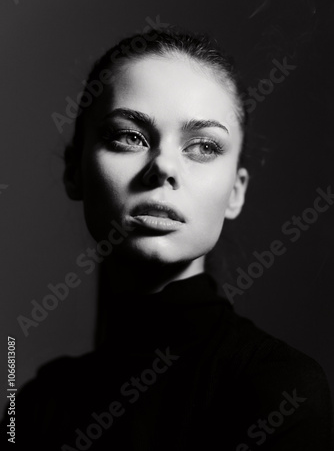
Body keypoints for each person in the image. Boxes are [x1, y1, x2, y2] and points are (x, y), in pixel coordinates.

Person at [1, 28, 333, 450]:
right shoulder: (33, 405)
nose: (163, 167)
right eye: (130, 137)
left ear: (236, 191)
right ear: (74, 170)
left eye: (204, 146)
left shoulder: (280, 387)